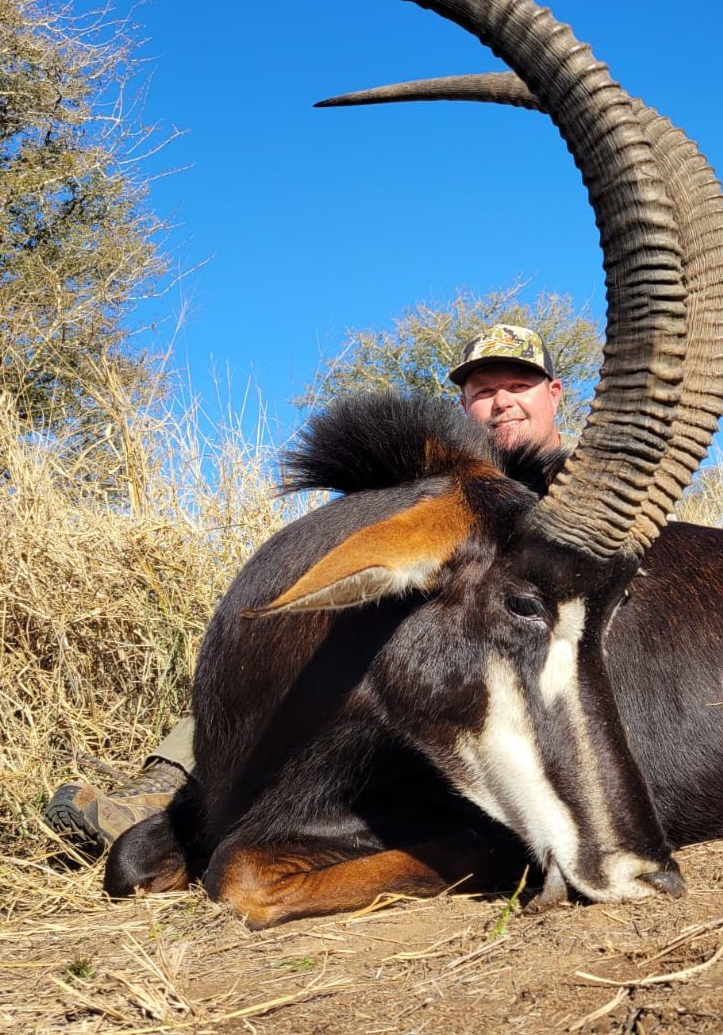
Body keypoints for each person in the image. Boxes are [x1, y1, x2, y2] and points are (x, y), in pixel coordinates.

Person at [44, 324, 565, 853]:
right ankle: (174, 789)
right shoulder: (435, 496)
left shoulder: (595, 486)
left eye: (518, 386)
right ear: (463, 404)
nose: (501, 403)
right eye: (483, 391)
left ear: (553, 393)